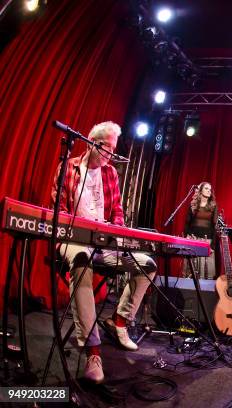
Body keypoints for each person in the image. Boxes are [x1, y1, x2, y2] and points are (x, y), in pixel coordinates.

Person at [51, 121, 157, 383]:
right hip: (73, 241)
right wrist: (78, 230)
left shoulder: (111, 174)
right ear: (91, 142)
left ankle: (120, 321)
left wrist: (117, 232)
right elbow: (59, 212)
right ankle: (93, 352)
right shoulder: (69, 168)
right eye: (107, 148)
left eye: (113, 149)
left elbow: (118, 211)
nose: (111, 154)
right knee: (81, 260)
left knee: (148, 264)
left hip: (103, 244)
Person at [184, 182, 218, 279]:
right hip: (193, 240)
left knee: (205, 273)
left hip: (207, 241)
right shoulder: (193, 205)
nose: (209, 191)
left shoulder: (213, 206)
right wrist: (187, 238)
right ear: (200, 190)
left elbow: (215, 226)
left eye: (210, 189)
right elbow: (187, 224)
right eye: (206, 188)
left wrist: (212, 246)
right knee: (191, 272)